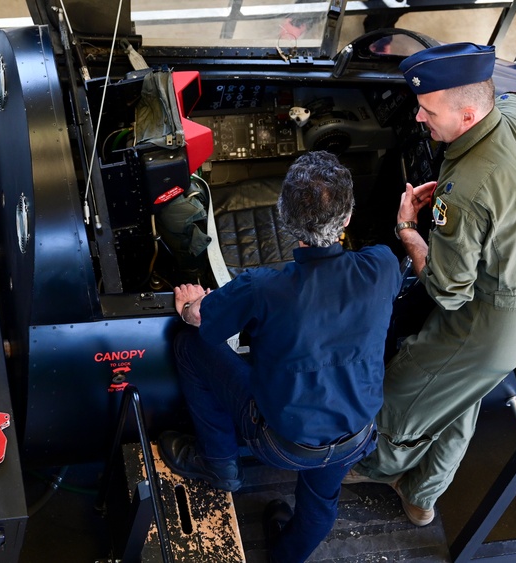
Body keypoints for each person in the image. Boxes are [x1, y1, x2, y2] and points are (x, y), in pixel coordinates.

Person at [347, 42, 516, 527]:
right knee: (457, 399)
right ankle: (423, 497)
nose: (420, 119)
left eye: (428, 111)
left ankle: (373, 467)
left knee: (406, 395)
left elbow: (447, 291)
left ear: (468, 116)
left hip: (479, 324)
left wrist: (408, 230)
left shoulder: (464, 193)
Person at [160, 150, 403, 563]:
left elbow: (205, 322)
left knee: (190, 347)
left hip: (282, 443)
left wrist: (188, 306)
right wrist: (409, 225)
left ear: (285, 218)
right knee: (320, 507)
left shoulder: (262, 288)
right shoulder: (381, 266)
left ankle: (220, 465)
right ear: (346, 218)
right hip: (355, 437)